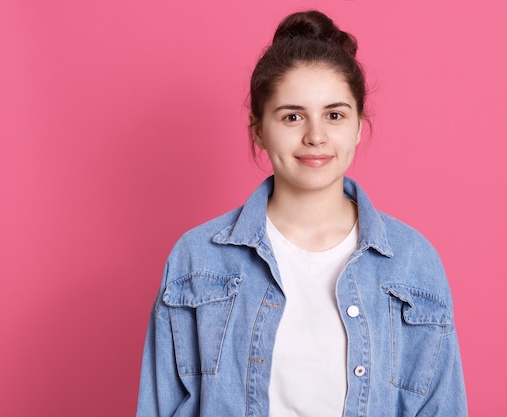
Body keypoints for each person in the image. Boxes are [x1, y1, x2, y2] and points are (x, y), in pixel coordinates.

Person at [136, 10, 467, 417]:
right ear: (258, 128)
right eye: (292, 116)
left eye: (334, 114)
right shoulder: (197, 259)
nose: (315, 135)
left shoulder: (414, 262)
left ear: (359, 126)